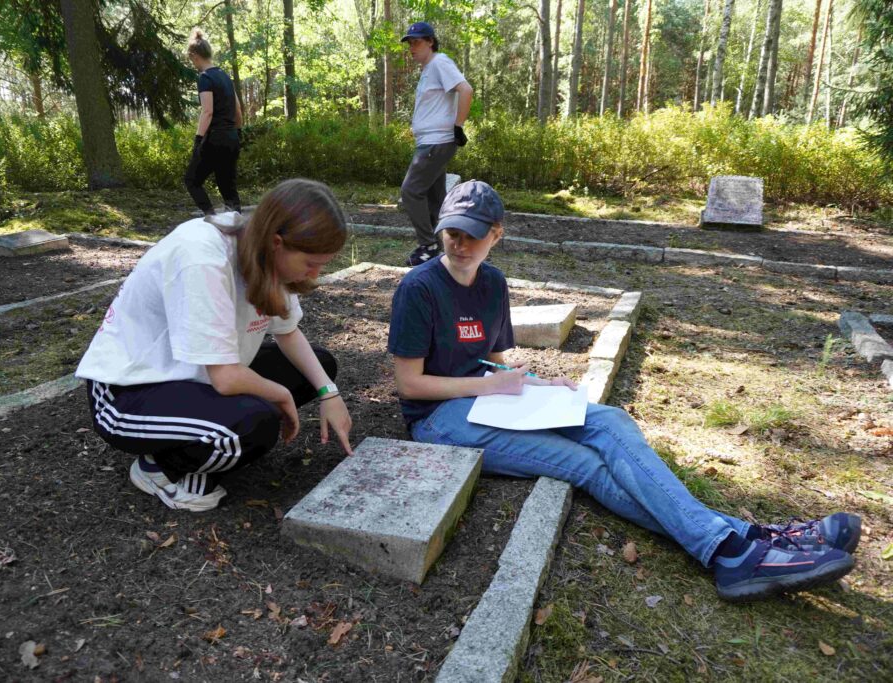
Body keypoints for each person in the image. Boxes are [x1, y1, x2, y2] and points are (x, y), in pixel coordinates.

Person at [387, 179, 861, 602]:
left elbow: (496, 363)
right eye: (452, 231)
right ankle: (743, 543)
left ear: (497, 234)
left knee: (609, 421)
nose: (460, 242)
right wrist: (491, 385)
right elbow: (410, 384)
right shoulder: (420, 287)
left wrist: (535, 384)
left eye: (473, 232)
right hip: (440, 419)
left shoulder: (493, 283)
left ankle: (739, 545)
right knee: (586, 465)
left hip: (490, 401)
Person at [76, 179, 354, 512]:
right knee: (256, 421)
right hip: (128, 392)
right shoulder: (203, 256)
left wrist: (329, 393)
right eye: (311, 264)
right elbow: (225, 377)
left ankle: (205, 437)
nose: (316, 274)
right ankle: (160, 469)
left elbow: (287, 332)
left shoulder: (267, 256)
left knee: (318, 367)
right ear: (277, 243)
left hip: (194, 375)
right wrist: (278, 395)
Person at [399, 21, 473, 267]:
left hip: (436, 143)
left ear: (430, 41)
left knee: (410, 192)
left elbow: (466, 89)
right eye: (410, 43)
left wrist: (458, 126)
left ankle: (428, 246)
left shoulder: (440, 62)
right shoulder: (429, 68)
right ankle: (447, 247)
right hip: (430, 143)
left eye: (417, 42)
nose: (412, 47)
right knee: (436, 199)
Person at [184, 29, 243, 216]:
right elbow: (238, 109)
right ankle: (240, 233)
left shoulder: (205, 78)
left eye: (190, 59)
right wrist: (238, 133)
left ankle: (211, 219)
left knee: (192, 180)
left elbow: (207, 111)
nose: (192, 63)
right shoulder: (225, 76)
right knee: (228, 188)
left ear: (194, 56)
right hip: (231, 137)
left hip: (215, 138)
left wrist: (198, 139)